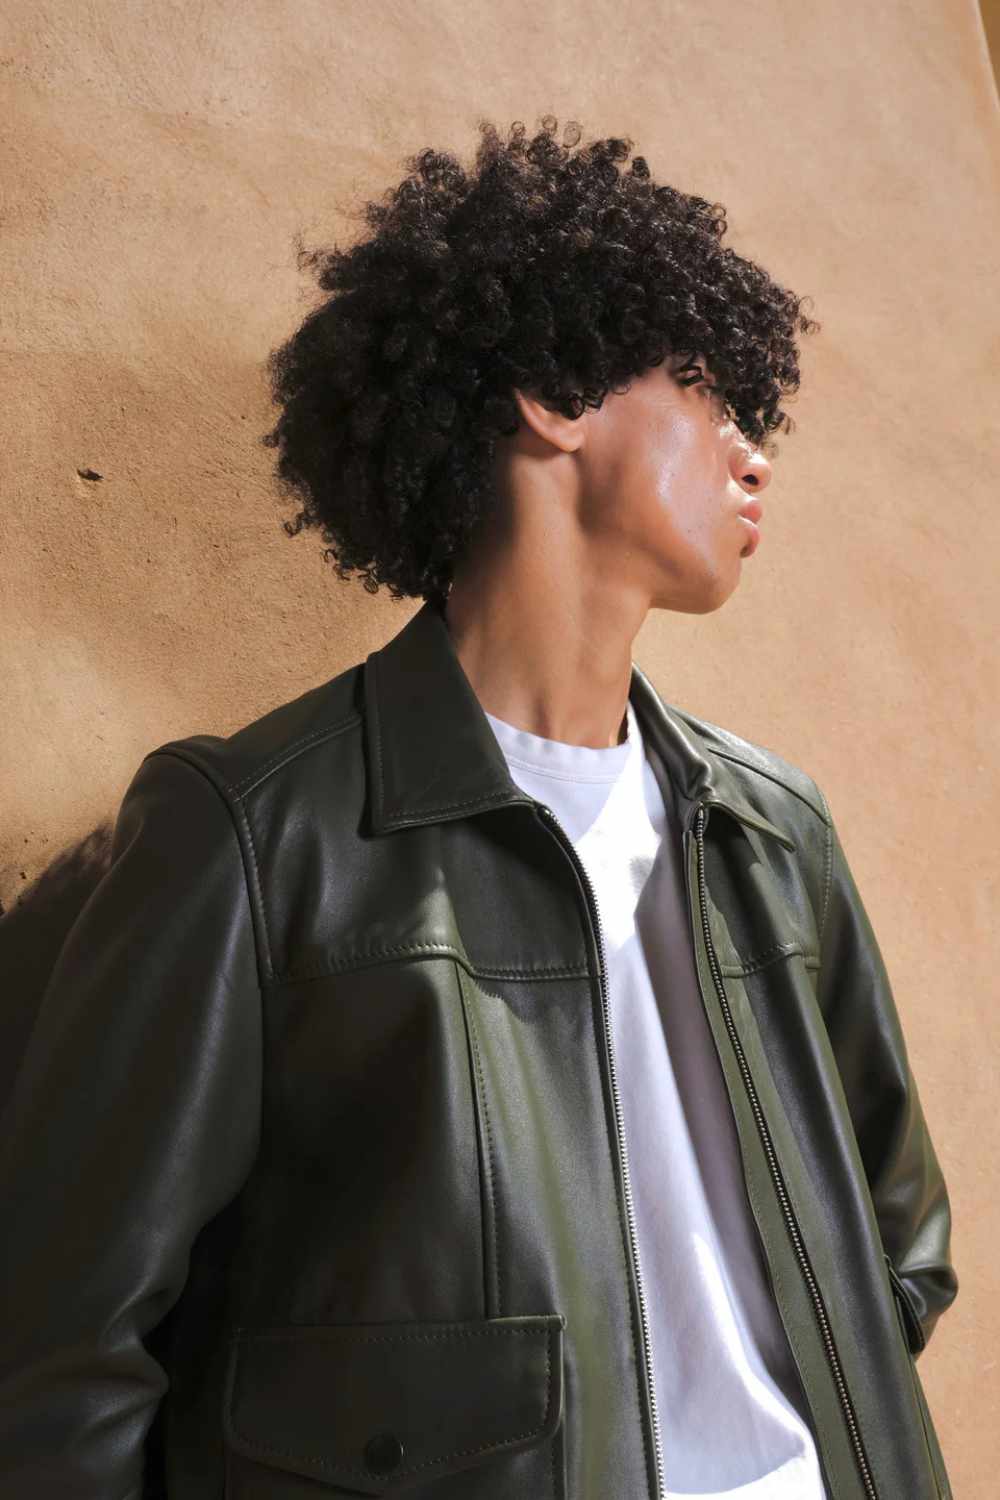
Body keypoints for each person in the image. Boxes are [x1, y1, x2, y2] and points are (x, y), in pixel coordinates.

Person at [0, 115, 958, 1499]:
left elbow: (900, 1250)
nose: (756, 456)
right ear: (557, 396)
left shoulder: (773, 829)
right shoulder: (257, 837)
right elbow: (63, 1366)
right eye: (712, 399)